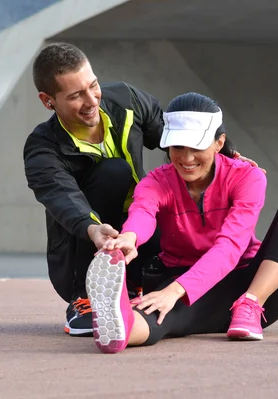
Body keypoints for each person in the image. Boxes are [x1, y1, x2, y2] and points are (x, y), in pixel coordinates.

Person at [23, 43, 261, 337]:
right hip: (86, 241)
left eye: (93, 85)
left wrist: (228, 156)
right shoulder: (42, 148)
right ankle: (85, 298)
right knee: (115, 172)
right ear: (48, 101)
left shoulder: (126, 100)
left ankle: (134, 284)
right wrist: (92, 228)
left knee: (158, 207)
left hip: (141, 228)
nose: (91, 100)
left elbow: (180, 135)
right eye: (75, 96)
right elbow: (62, 197)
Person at [85, 92, 278, 354]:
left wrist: (176, 290)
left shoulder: (248, 177)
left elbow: (231, 246)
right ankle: (118, 326)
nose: (186, 158)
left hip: (248, 284)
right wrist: (129, 238)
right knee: (161, 311)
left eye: (196, 146)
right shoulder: (156, 182)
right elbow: (142, 211)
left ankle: (250, 304)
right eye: (178, 147)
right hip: (180, 280)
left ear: (219, 142)